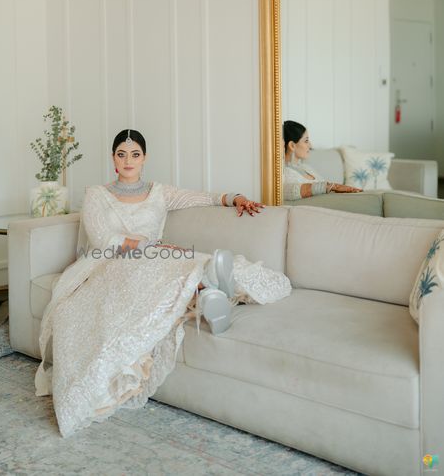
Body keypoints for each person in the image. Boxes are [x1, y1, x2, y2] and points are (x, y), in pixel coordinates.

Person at [35, 129, 291, 437]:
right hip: (109, 262)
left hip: (156, 258)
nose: (128, 160)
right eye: (121, 154)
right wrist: (149, 246)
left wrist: (233, 197)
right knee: (161, 264)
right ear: (113, 159)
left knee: (184, 261)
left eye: (135, 154)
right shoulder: (96, 195)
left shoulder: (160, 192)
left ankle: (210, 288)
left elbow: (201, 197)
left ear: (144, 158)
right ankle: (206, 290)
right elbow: (103, 239)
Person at [283, 121, 361, 202]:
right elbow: (286, 191)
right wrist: (331, 187)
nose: (310, 146)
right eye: (306, 141)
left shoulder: (306, 168)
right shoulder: (284, 172)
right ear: (292, 145)